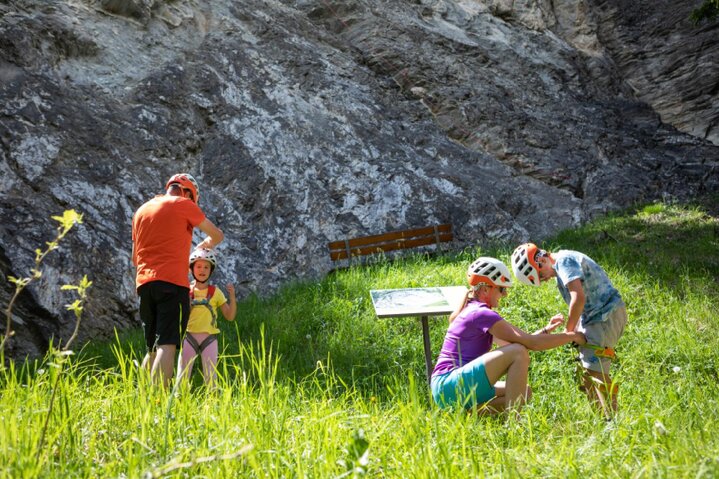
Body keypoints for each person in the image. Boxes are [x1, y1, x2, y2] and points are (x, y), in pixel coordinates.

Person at [431, 257, 586, 415]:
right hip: (450, 385)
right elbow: (530, 344)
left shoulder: (474, 311)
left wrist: (546, 330)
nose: (504, 294)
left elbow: (518, 343)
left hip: (447, 389)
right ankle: (513, 423)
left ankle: (466, 415)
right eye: (501, 289)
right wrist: (572, 336)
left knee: (523, 392)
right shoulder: (481, 314)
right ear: (485, 289)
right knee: (518, 353)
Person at [511, 243, 627, 415]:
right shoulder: (561, 266)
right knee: (588, 372)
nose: (545, 280)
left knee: (596, 371)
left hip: (604, 316)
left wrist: (569, 332)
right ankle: (602, 419)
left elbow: (578, 298)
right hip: (594, 318)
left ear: (541, 260)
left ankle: (613, 419)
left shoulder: (564, 261)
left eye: (541, 276)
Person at [132, 173, 224, 388]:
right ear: (188, 193)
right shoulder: (183, 204)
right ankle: (159, 403)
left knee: (152, 348)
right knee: (167, 344)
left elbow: (134, 257)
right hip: (172, 284)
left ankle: (141, 400)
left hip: (145, 284)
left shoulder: (141, 211)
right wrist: (204, 246)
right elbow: (217, 235)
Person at [178, 247, 236, 389]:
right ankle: (179, 400)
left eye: (206, 267)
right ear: (192, 269)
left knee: (211, 376)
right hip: (189, 336)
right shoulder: (186, 291)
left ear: (211, 270)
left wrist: (232, 297)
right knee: (182, 374)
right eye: (198, 266)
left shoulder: (216, 292)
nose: (202, 270)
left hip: (209, 338)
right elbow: (179, 316)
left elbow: (229, 316)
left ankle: (213, 403)